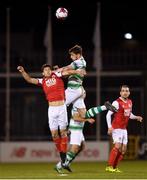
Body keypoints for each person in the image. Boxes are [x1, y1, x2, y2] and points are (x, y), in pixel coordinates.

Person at [17, 64, 84, 171]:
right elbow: (29, 79)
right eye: (45, 70)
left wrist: (77, 72)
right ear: (43, 73)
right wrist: (22, 71)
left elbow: (67, 72)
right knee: (54, 135)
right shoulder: (42, 81)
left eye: (49, 69)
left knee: (63, 133)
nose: (48, 71)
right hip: (51, 109)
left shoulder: (56, 74)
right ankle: (63, 158)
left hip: (61, 107)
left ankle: (63, 160)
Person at [55, 44, 117, 118]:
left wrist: (56, 72)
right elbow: (67, 73)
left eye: (72, 55)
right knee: (84, 115)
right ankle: (105, 107)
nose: (70, 57)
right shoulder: (80, 62)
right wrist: (60, 72)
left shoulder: (79, 62)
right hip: (79, 90)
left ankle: (60, 128)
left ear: (78, 55)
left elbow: (66, 68)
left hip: (73, 89)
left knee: (58, 104)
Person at [105, 85, 143, 173]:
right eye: (123, 91)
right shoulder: (116, 102)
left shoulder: (130, 101)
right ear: (120, 93)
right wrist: (109, 127)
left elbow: (129, 114)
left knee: (123, 150)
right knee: (117, 146)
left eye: (126, 91)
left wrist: (136, 117)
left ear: (129, 93)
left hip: (124, 129)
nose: (125, 92)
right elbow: (108, 115)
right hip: (116, 128)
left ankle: (114, 167)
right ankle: (109, 166)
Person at [56, 92, 95, 173]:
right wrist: (87, 120)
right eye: (83, 92)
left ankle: (67, 163)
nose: (84, 93)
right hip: (75, 128)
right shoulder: (77, 103)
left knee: (82, 147)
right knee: (74, 148)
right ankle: (60, 165)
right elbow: (75, 118)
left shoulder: (81, 103)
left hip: (79, 129)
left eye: (84, 92)